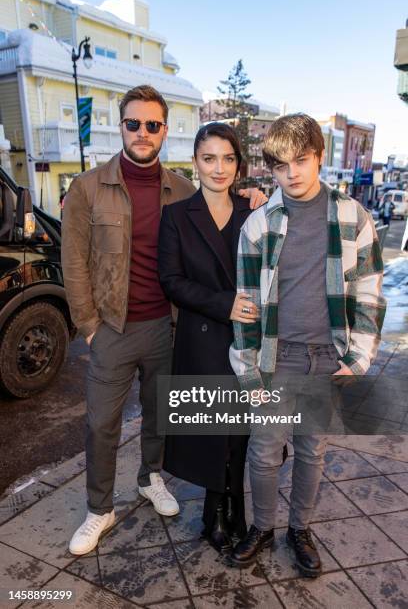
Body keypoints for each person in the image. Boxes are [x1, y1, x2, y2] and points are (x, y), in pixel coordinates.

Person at [61, 85, 266, 556]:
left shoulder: (181, 186)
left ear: (165, 131)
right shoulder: (88, 187)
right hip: (111, 326)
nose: (143, 133)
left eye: (153, 125)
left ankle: (150, 478)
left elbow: (219, 207)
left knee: (160, 414)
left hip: (168, 327)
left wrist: (252, 196)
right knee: (101, 424)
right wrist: (88, 326)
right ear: (122, 126)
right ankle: (99, 509)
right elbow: (73, 263)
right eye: (134, 123)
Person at [229, 113, 386, 576]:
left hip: (324, 360)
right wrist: (250, 371)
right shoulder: (258, 225)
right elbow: (247, 304)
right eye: (281, 165)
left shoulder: (352, 216)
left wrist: (357, 358)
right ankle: (263, 528)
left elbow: (369, 291)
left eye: (301, 160)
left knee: (312, 450)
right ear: (271, 169)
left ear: (319, 156)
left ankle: (301, 528)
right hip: (277, 360)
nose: (292, 173)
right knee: (262, 451)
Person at [158, 123, 262, 553]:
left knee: (241, 432)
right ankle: (214, 513)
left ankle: (236, 506)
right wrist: (224, 304)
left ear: (239, 164)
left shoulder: (255, 212)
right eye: (209, 158)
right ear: (196, 162)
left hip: (247, 339)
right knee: (213, 429)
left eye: (228, 158)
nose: (219, 168)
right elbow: (171, 281)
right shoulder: (177, 216)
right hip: (203, 337)